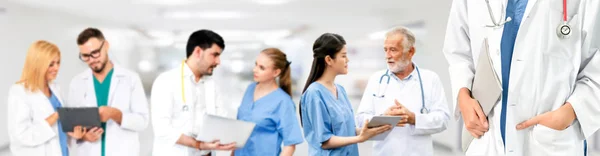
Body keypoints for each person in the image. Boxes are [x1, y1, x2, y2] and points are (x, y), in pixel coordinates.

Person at [443, 0, 600, 155]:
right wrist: (462, 94)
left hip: (549, 142)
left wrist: (571, 111)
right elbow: (458, 50)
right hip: (487, 136)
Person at [355, 26, 450, 156]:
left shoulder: (430, 79)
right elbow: (360, 120)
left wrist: (414, 118)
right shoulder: (376, 79)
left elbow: (443, 119)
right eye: (385, 50)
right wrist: (384, 118)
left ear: (411, 52)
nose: (387, 56)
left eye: (393, 50)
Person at [299, 33, 392, 156]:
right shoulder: (314, 94)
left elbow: (347, 131)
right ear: (328, 60)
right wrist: (360, 138)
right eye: (343, 56)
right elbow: (325, 141)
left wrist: (374, 128)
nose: (347, 60)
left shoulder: (340, 90)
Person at [151, 29, 236, 156]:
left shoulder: (212, 86)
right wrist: (198, 145)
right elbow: (162, 129)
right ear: (198, 52)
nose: (218, 62)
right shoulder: (166, 81)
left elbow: (221, 120)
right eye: (215, 55)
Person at [67, 27, 150, 156]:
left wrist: (117, 115)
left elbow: (143, 122)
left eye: (95, 53)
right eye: (85, 56)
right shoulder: (77, 82)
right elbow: (71, 125)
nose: (92, 59)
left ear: (106, 45)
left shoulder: (130, 79)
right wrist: (84, 136)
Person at [7, 40, 86, 156]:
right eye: (51, 64)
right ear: (37, 64)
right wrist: (54, 116)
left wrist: (72, 134)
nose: (56, 68)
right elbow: (21, 135)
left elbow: (59, 128)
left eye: (58, 63)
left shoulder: (55, 88)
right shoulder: (19, 91)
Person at [233, 48, 304, 156]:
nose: (255, 70)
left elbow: (290, 145)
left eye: (261, 68)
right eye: (256, 64)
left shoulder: (283, 101)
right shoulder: (250, 89)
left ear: (276, 72)